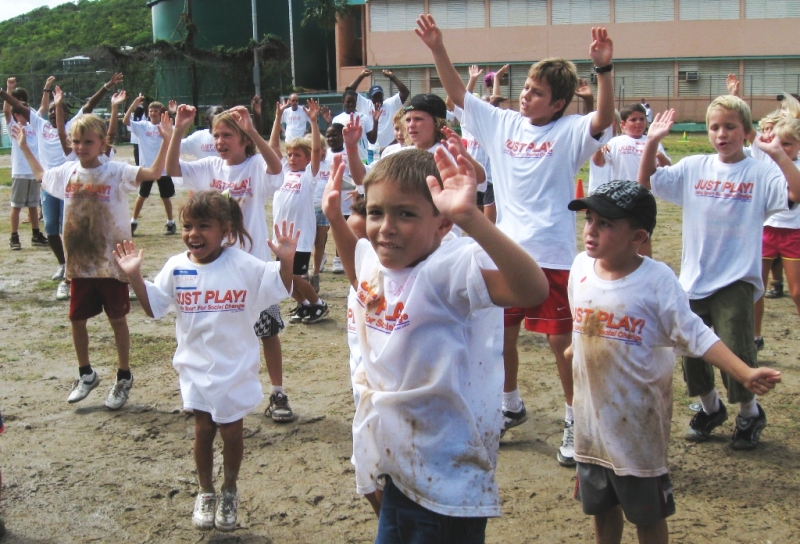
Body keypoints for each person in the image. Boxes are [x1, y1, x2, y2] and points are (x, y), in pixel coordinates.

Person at [322, 144, 549, 543]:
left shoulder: (450, 268)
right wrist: (335, 221)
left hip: (443, 473)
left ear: (443, 225)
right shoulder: (381, 260)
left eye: (405, 214)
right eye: (376, 213)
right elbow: (362, 277)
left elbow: (531, 289)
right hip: (398, 461)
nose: (386, 227)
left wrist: (473, 219)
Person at [415, 14, 616, 466]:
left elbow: (603, 117)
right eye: (526, 87)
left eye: (538, 92)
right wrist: (437, 48)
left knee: (559, 343)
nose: (527, 95)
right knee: (499, 335)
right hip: (505, 250)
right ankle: (510, 404)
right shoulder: (502, 123)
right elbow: (457, 94)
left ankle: (574, 417)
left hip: (553, 254)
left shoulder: (569, 133)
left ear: (559, 102)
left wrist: (603, 70)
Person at [567, 180, 781, 544]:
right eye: (590, 219)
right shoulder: (580, 268)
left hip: (638, 427)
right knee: (602, 509)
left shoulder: (656, 281)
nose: (591, 230)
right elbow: (582, 323)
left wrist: (743, 372)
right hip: (592, 425)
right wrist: (578, 348)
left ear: (637, 237)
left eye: (605, 224)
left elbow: (696, 334)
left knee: (647, 515)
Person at [114, 192, 296, 531]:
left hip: (235, 367)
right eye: (187, 226)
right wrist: (135, 277)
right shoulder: (176, 267)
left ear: (225, 230)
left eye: (203, 226)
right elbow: (155, 308)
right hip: (194, 366)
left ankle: (229, 488)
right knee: (202, 429)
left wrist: (286, 262)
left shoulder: (243, 264)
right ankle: (206, 491)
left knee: (231, 431)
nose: (193, 234)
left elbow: (278, 287)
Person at [638, 100, 800, 449]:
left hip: (737, 278)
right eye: (714, 127)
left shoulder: (759, 172)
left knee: (736, 351)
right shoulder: (695, 166)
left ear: (746, 132)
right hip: (694, 279)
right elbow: (646, 184)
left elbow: (795, 193)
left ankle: (748, 412)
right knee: (690, 348)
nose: (721, 134)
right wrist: (652, 142)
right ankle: (711, 409)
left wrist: (778, 155)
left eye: (730, 127)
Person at [13, 112, 170, 410]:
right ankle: (86, 373)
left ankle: (124, 375)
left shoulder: (116, 172)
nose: (81, 147)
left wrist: (166, 140)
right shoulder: (66, 172)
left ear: (102, 143)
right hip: (81, 264)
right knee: (76, 319)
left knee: (117, 319)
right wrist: (23, 147)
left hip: (113, 262)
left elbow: (152, 173)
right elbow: (40, 176)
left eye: (88, 141)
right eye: (76, 141)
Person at [166, 103, 298, 423]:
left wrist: (254, 128)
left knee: (267, 332)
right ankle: (208, 394)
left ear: (243, 140)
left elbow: (277, 170)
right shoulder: (210, 166)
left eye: (228, 135)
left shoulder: (254, 166)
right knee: (216, 331)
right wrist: (179, 130)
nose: (220, 141)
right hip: (215, 267)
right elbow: (172, 170)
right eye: (216, 135)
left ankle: (278, 391)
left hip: (253, 269)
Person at [270, 98, 330, 323]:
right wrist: (278, 118)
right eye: (290, 155)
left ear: (306, 159)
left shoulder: (309, 176)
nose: (291, 158)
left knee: (296, 276)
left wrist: (314, 122)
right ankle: (304, 305)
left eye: (297, 155)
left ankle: (319, 305)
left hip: (300, 239)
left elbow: (315, 148)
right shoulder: (283, 171)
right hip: (281, 238)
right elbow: (274, 147)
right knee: (281, 277)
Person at [753, 117, 800, 350]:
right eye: (779, 144)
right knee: (756, 287)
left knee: (797, 291)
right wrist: (736, 96)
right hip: (766, 231)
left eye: (789, 144)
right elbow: (747, 131)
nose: (782, 149)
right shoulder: (766, 161)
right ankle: (755, 336)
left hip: (794, 234)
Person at [3, 79, 47, 252]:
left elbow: (42, 108)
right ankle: (14, 236)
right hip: (20, 171)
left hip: (33, 171)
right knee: (16, 206)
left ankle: (36, 234)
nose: (24, 111)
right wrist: (9, 89)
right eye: (20, 109)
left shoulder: (32, 124)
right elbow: (7, 109)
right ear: (16, 114)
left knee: (33, 205)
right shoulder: (13, 124)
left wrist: (47, 88)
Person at [123, 94, 176, 235]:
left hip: (163, 169)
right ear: (148, 113)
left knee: (165, 197)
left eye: (156, 111)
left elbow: (176, 129)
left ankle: (171, 222)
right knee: (142, 195)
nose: (153, 113)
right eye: (151, 111)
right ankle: (133, 222)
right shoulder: (142, 126)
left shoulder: (165, 126)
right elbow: (126, 120)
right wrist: (134, 105)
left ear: (160, 113)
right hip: (147, 168)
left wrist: (173, 112)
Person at [348, 68, 411, 150]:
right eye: (375, 96)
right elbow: (349, 92)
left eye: (379, 96)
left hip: (389, 149)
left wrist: (392, 77)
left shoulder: (390, 104)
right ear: (370, 97)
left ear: (383, 96)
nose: (377, 98)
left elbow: (405, 92)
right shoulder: (365, 104)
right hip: (370, 150)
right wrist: (361, 76)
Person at [331, 89, 377, 162]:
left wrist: (376, 121)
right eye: (348, 102)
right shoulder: (337, 119)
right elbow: (333, 141)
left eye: (353, 102)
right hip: (344, 159)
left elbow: (372, 140)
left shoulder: (363, 118)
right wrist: (328, 123)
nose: (351, 104)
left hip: (362, 159)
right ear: (343, 101)